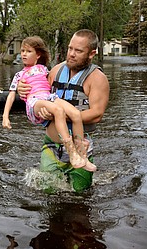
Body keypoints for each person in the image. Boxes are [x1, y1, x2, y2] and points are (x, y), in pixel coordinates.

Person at [17, 29, 110, 192]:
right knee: (48, 191)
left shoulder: (97, 78)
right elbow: (37, 95)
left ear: (91, 54)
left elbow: (97, 114)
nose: (72, 54)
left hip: (80, 147)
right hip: (51, 146)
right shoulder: (55, 71)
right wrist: (21, 89)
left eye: (78, 51)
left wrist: (61, 116)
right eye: (70, 48)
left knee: (80, 194)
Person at [2, 36, 96, 172]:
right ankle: (72, 153)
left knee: (76, 114)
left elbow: (48, 82)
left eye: (28, 51)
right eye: (22, 50)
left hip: (48, 97)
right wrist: (6, 116)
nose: (23, 54)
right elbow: (11, 95)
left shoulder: (44, 70)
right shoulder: (19, 75)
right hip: (35, 101)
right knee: (58, 110)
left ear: (38, 55)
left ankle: (83, 156)